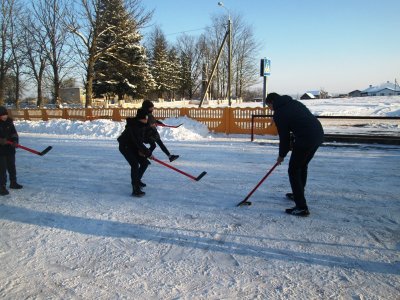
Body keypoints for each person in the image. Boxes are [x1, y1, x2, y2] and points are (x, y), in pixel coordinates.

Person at [265, 93, 324, 216]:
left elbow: (284, 137)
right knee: (302, 166)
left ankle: (301, 207)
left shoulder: (279, 113)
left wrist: (281, 155)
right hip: (318, 134)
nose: (270, 109)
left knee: (293, 169)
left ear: (271, 102)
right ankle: (298, 194)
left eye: (268, 106)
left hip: (306, 138)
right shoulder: (294, 103)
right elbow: (298, 123)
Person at [117, 108, 153, 197]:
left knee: (144, 163)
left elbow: (141, 139)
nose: (147, 119)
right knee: (135, 164)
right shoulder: (134, 126)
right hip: (125, 146)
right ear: (142, 118)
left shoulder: (142, 124)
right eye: (146, 117)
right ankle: (135, 189)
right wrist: (147, 153)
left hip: (133, 146)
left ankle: (137, 180)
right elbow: (137, 141)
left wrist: (142, 150)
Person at [0, 106, 23, 195]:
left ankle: (13, 182)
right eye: (2, 115)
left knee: (11, 166)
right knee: (2, 169)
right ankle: (2, 187)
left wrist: (15, 141)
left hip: (10, 149)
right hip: (1, 151)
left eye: (5, 114)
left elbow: (14, 133)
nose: (4, 116)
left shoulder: (9, 122)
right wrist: (1, 140)